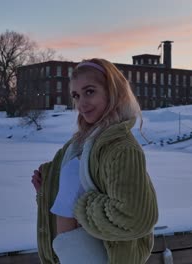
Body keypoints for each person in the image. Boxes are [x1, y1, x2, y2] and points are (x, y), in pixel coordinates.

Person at [31, 58, 158, 264]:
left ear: (112, 91)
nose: (81, 103)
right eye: (76, 95)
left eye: (90, 91)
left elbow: (135, 218)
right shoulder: (79, 144)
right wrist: (47, 192)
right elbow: (68, 197)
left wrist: (80, 207)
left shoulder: (121, 147)